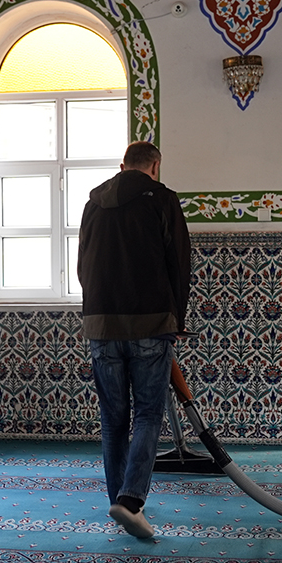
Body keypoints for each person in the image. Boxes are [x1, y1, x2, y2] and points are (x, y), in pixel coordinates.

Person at [79, 140, 191, 539]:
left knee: (113, 420)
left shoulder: (93, 203)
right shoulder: (162, 199)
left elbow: (83, 264)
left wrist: (94, 313)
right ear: (155, 166)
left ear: (122, 165)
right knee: (147, 414)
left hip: (101, 326)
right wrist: (177, 317)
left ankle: (119, 499)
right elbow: (178, 262)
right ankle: (129, 501)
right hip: (150, 322)